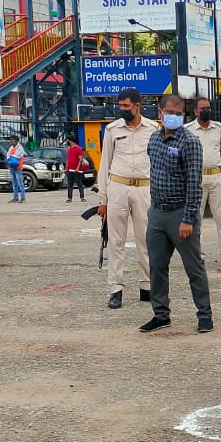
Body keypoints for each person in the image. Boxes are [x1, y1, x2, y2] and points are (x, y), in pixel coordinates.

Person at [141, 95, 214, 333]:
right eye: (169, 112)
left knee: (194, 267)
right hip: (157, 213)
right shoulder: (153, 139)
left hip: (180, 213)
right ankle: (160, 314)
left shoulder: (190, 142)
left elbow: (194, 183)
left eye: (179, 113)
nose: (174, 116)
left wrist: (188, 218)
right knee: (157, 267)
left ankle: (205, 316)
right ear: (160, 113)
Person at [97, 88, 158, 309]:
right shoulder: (112, 129)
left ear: (137, 105)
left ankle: (146, 286)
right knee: (115, 241)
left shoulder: (153, 129)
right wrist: (102, 200)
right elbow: (105, 164)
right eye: (120, 106)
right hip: (118, 187)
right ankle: (116, 289)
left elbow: (157, 162)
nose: (122, 110)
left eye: (126, 106)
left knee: (146, 240)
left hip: (144, 188)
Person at [183, 96, 221, 269]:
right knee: (196, 219)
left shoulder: (218, 128)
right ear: (195, 111)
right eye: (202, 108)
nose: (206, 111)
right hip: (196, 178)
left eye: (208, 108)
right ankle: (199, 255)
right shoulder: (187, 129)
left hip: (216, 176)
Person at [65, 138, 87, 203]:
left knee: (79, 184)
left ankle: (82, 197)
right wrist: (66, 167)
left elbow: (80, 159)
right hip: (70, 170)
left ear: (71, 141)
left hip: (76, 170)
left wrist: (77, 168)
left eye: (68, 140)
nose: (67, 142)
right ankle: (69, 198)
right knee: (69, 184)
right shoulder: (69, 150)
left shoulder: (78, 149)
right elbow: (68, 159)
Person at [7, 136, 28, 203]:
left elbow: (17, 156)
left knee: (20, 183)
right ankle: (15, 197)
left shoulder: (20, 148)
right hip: (12, 167)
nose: (11, 141)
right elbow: (8, 155)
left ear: (16, 140)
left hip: (18, 167)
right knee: (14, 183)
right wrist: (10, 158)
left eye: (12, 140)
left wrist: (11, 157)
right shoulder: (11, 148)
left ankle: (23, 197)